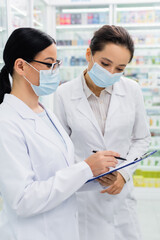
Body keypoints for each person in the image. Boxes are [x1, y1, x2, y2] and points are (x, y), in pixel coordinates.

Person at [0, 27, 119, 240]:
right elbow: (22, 200)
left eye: (57, 64)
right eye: (48, 64)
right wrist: (85, 168)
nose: (54, 71)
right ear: (20, 66)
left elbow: (58, 176)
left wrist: (94, 176)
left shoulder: (45, 112)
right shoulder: (6, 122)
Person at [54, 25, 151, 240]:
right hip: (84, 195)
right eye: (105, 64)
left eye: (119, 68)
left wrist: (124, 175)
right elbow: (60, 149)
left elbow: (142, 139)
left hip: (121, 196)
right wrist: (87, 169)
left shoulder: (132, 90)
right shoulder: (63, 94)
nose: (111, 73)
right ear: (89, 54)